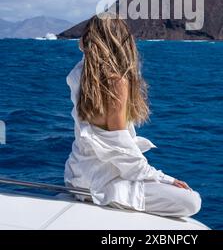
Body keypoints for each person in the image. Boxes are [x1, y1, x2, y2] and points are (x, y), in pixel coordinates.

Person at [64, 14, 201, 218]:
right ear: (121, 42)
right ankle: (115, 198)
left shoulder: (78, 75)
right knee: (192, 201)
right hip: (104, 182)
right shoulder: (115, 82)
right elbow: (120, 146)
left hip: (75, 178)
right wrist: (162, 178)